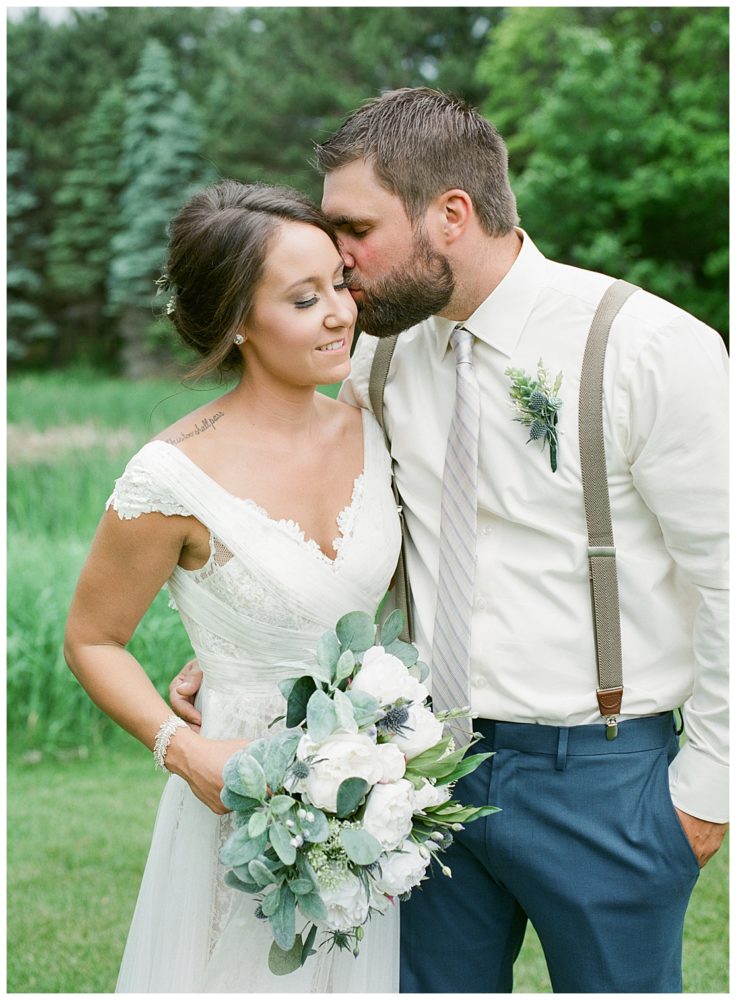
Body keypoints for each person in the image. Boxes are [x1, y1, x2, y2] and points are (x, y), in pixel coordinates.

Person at [171, 89, 729, 993]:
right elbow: (297, 488)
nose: (338, 263)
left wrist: (704, 794)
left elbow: (729, 582)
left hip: (608, 778)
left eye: (354, 228)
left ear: (451, 215)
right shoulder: (372, 355)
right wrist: (242, 645)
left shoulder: (645, 349)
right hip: (420, 777)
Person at [64, 180, 402, 993]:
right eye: (302, 298)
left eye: (338, 284)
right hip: (242, 787)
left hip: (376, 784)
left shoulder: (379, 414)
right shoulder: (172, 477)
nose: (339, 313)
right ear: (240, 323)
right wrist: (182, 750)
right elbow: (90, 638)